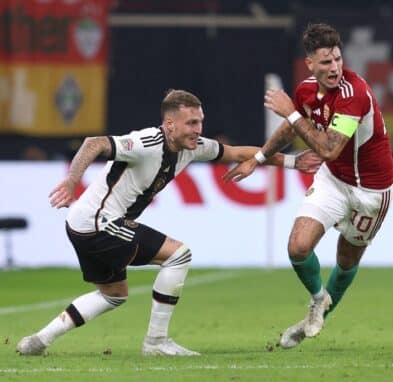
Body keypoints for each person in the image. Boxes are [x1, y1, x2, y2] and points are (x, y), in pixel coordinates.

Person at [16, 89, 321, 356]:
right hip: (98, 223)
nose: (197, 129)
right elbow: (93, 143)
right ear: (169, 124)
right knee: (178, 255)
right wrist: (71, 182)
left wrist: (293, 162)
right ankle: (156, 342)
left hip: (84, 224)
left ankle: (39, 340)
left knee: (113, 294)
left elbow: (236, 153)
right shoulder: (145, 142)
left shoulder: (193, 147)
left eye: (200, 122)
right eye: (191, 123)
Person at [224, 23, 393, 349]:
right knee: (298, 247)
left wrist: (290, 113)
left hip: (371, 192)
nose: (334, 68)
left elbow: (328, 148)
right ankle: (318, 300)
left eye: (337, 60)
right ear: (310, 64)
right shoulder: (305, 90)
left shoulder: (353, 95)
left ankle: (314, 321)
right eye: (326, 62)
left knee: (346, 260)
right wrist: (258, 158)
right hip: (333, 179)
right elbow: (291, 133)